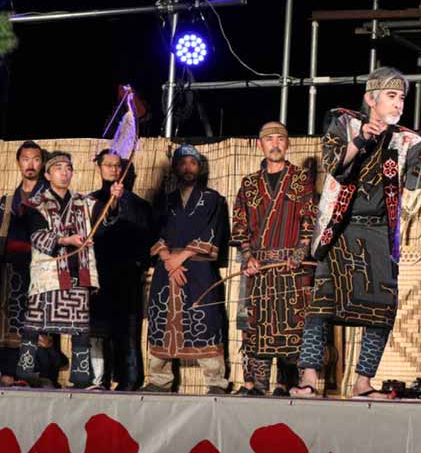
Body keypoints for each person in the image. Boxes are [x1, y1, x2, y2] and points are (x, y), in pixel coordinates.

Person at [291, 66, 421, 398]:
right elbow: (336, 164)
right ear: (370, 99)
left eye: (402, 97)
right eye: (391, 96)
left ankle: (363, 382)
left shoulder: (404, 140)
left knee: (381, 311)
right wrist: (363, 137)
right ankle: (308, 378)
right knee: (321, 305)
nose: (398, 104)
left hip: (379, 233)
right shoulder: (344, 124)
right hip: (340, 231)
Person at [17, 151, 122, 388]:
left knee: (80, 330)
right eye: (58, 168)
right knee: (35, 327)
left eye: (68, 168)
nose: (64, 173)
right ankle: (26, 373)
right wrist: (68, 240)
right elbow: (38, 237)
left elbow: (104, 220)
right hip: (48, 277)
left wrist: (113, 200)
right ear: (48, 174)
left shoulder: (84, 202)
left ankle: (81, 378)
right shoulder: (36, 204)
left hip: (78, 274)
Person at [231, 121, 316, 396]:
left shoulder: (302, 178)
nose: (275, 144)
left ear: (287, 143)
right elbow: (240, 224)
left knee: (292, 324)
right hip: (259, 268)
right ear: (261, 144)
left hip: (292, 266)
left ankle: (286, 384)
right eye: (270, 140)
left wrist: (301, 251)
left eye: (280, 139)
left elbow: (309, 218)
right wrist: (247, 257)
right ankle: (256, 385)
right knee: (256, 326)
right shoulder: (249, 184)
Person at [143, 144, 230, 395]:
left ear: (200, 167)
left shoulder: (213, 199)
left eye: (192, 163)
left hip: (198, 271)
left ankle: (215, 381)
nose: (187, 167)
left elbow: (213, 232)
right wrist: (168, 258)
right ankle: (159, 380)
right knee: (161, 321)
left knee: (205, 320)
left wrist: (180, 258)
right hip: (166, 269)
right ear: (175, 167)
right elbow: (155, 232)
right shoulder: (164, 201)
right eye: (182, 163)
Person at [88, 149, 154, 390]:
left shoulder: (139, 205)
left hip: (128, 277)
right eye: (108, 165)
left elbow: (148, 238)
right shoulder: (90, 201)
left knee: (128, 331)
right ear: (100, 167)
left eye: (118, 165)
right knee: (98, 331)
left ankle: (130, 381)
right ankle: (98, 380)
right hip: (98, 276)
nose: (113, 169)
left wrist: (141, 265)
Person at [0, 142, 48, 385]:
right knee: (9, 320)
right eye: (25, 159)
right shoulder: (7, 201)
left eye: (36, 159)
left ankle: (33, 373)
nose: (30, 164)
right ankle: (8, 371)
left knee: (37, 321)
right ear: (18, 163)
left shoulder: (51, 198)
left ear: (42, 163)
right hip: (11, 271)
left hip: (41, 270)